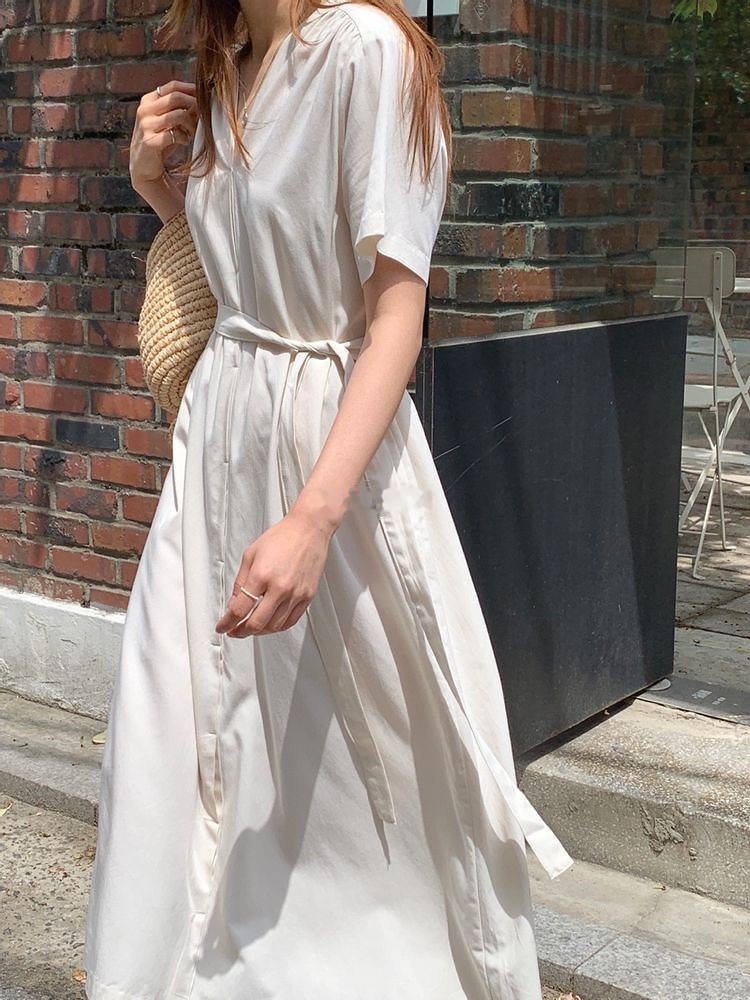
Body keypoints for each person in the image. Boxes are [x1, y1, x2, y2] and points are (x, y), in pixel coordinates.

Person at [82, 1, 573, 998]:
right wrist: (158, 188)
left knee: (351, 788)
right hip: (215, 449)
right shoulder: (229, 61)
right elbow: (247, 274)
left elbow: (396, 317)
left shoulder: (366, 51)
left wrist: (314, 519)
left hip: (325, 455)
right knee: (181, 744)